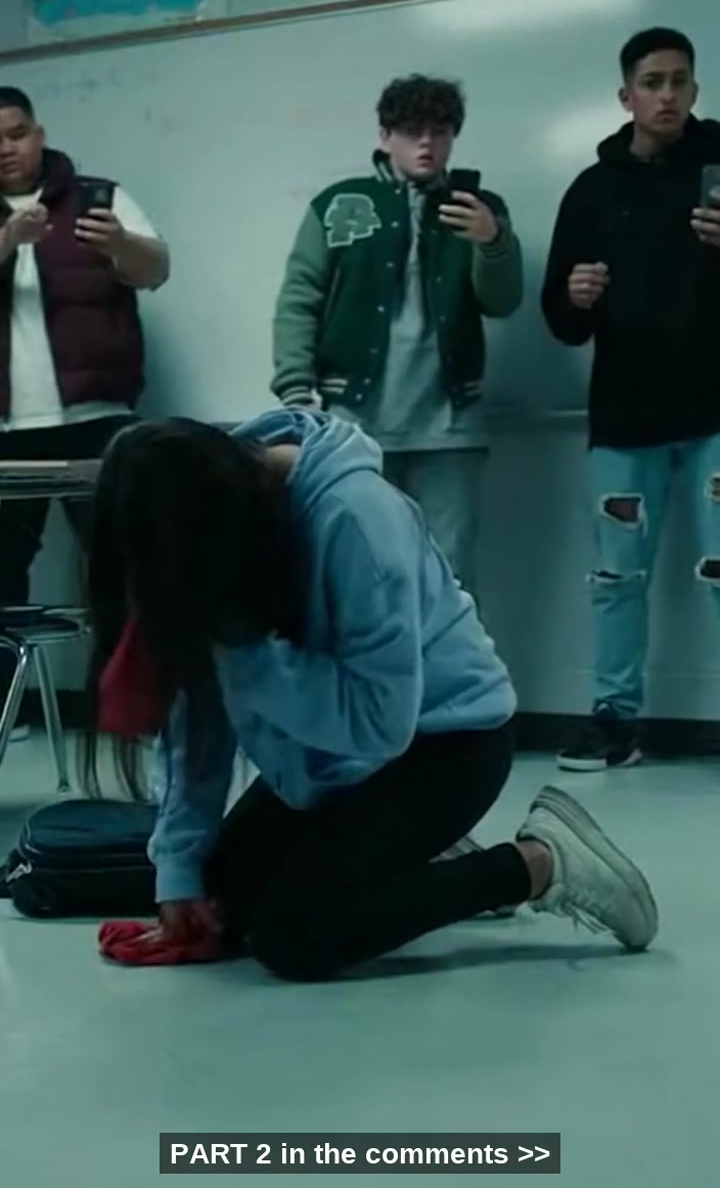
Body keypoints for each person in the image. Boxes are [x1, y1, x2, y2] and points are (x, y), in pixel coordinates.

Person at [82, 409, 657, 982]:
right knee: (217, 907)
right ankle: (413, 861)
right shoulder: (208, 513)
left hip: (444, 748)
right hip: (326, 765)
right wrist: (178, 868)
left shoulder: (357, 520)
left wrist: (249, 659)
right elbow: (199, 719)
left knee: (295, 938)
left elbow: (380, 724)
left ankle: (537, 863)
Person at [271, 74, 523, 610]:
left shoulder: (480, 207)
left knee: (449, 580)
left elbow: (503, 302)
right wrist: (296, 392)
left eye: (440, 131)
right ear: (385, 136)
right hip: (356, 422)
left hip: (449, 424)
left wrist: (493, 242)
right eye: (412, 131)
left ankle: (443, 670)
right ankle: (368, 669)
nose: (427, 143)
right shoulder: (339, 205)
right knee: (354, 572)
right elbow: (299, 299)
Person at [541, 28, 720, 771]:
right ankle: (615, 723)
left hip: (716, 415)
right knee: (616, 580)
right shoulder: (592, 190)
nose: (667, 95)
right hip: (625, 418)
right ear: (627, 96)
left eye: (679, 81)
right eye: (652, 82)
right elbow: (559, 318)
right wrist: (575, 297)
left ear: (695, 90)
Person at [0, 87, 169, 738]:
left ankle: (134, 708)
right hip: (6, 430)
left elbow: (156, 269)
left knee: (122, 562)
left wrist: (122, 243)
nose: (6, 149)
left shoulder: (99, 196)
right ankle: (6, 714)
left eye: (16, 133)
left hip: (98, 418)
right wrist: (7, 240)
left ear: (39, 134)